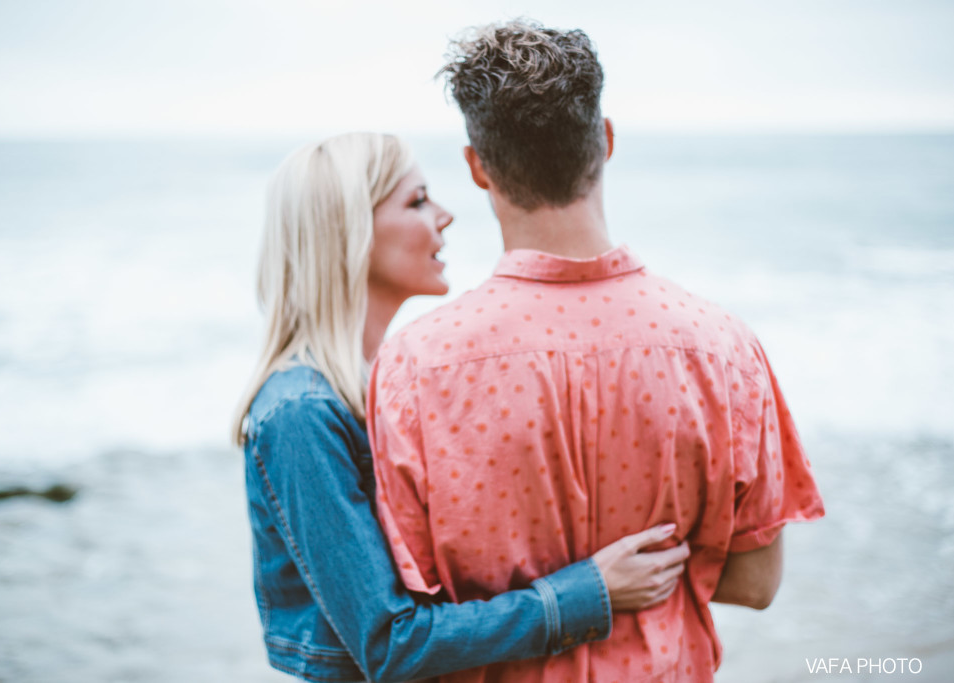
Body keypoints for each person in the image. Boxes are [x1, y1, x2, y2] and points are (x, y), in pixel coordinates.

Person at [367, 21, 825, 682]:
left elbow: (412, 605)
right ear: (605, 141)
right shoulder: (722, 348)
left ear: (477, 167)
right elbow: (755, 582)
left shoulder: (414, 366)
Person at [231, 132, 690, 683]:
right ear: (350, 231)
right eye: (418, 201)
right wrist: (588, 592)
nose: (445, 216)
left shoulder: (380, 387)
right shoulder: (301, 415)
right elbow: (389, 643)